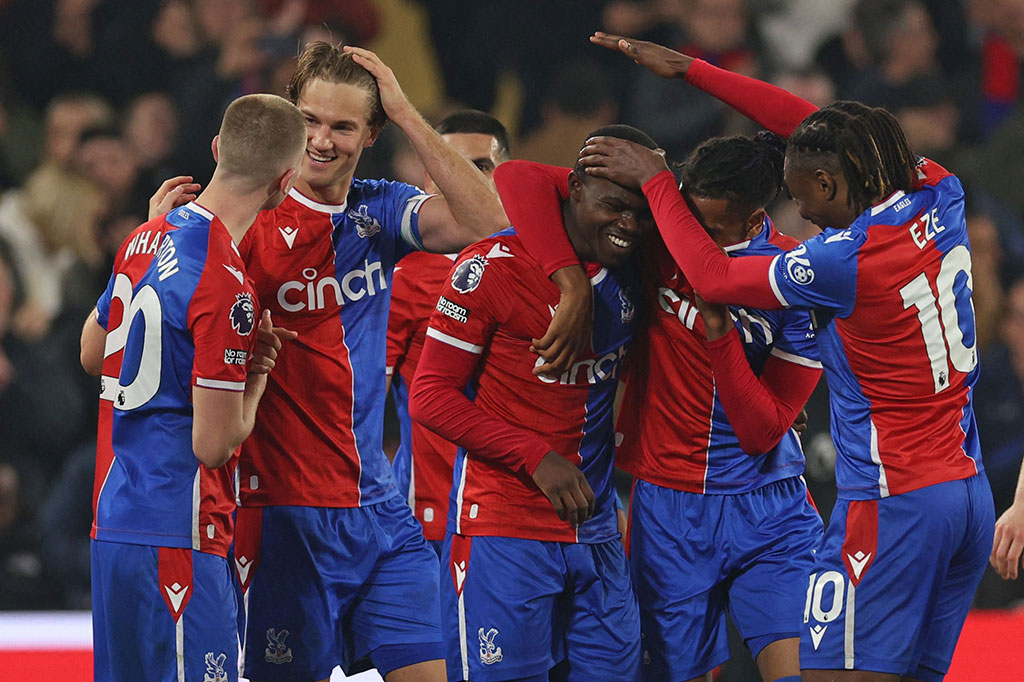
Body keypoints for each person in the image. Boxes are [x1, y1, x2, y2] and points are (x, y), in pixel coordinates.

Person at [579, 32, 995, 682]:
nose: (795, 208)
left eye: (802, 193)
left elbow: (714, 281)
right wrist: (693, 71)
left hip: (892, 500)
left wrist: (660, 180)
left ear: (831, 182)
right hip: (965, 491)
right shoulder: (938, 189)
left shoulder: (838, 261)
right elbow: (813, 129)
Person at [223, 42, 510, 682]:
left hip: (380, 512)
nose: (320, 141)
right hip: (281, 514)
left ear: (371, 134)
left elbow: (492, 223)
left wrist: (409, 111)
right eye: (309, 121)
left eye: (342, 125)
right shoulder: (240, 221)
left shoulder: (378, 211)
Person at [494, 133, 824, 682]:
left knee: (805, 674)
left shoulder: (792, 278)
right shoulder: (657, 239)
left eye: (709, 232)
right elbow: (515, 178)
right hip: (670, 512)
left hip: (771, 510)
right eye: (683, 220)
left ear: (751, 222)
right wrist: (573, 282)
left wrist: (719, 337)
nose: (690, 241)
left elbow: (764, 432)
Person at [409, 124, 656, 682]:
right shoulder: (489, 267)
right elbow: (429, 396)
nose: (627, 224)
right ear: (572, 189)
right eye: (614, 205)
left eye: (640, 213)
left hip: (594, 529)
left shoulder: (636, 271)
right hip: (504, 527)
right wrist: (534, 456)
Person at [79, 93, 305, 682]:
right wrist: (255, 380)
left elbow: (90, 352)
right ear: (284, 183)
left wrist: (151, 230)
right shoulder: (227, 283)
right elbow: (213, 445)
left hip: (114, 523)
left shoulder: (143, 237)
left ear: (215, 151)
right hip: (179, 531)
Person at [387, 110, 512, 554]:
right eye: (449, 164)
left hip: (525, 515)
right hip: (434, 522)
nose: (464, 179)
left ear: (509, 178)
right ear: (429, 180)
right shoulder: (405, 276)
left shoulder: (550, 269)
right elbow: (358, 403)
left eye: (479, 166)